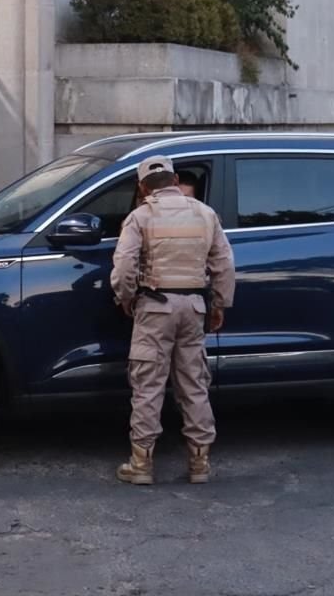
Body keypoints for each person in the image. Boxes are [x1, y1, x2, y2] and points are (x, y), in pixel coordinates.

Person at [110, 155, 236, 485]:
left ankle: (141, 465)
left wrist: (124, 297)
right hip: (194, 306)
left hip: (154, 306)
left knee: (148, 385)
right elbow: (224, 264)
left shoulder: (140, 217)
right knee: (194, 383)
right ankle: (199, 464)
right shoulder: (205, 214)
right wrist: (219, 304)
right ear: (175, 179)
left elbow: (124, 267)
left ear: (141, 187)